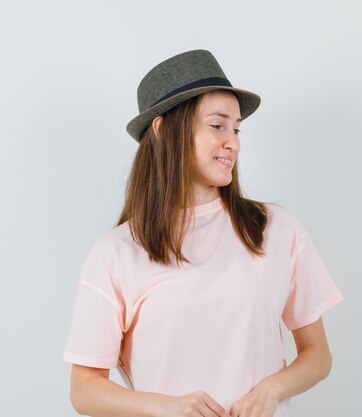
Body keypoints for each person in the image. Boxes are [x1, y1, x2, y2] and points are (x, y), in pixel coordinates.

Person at [62, 49, 345, 417]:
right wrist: (167, 407)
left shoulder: (274, 229)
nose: (234, 142)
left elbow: (318, 355)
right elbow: (84, 390)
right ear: (164, 131)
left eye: (237, 128)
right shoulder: (117, 252)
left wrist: (272, 388)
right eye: (217, 125)